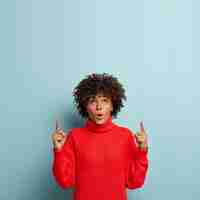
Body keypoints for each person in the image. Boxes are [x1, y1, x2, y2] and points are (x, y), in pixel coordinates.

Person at [51, 73, 149, 200]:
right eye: (92, 101)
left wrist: (142, 150)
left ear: (112, 105)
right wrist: (59, 151)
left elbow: (135, 182)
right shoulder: (74, 137)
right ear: (85, 106)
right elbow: (65, 181)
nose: (99, 107)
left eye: (104, 100)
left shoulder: (125, 136)